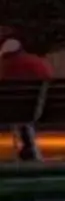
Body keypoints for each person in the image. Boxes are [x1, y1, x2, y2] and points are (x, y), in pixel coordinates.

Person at [0, 29, 47, 161]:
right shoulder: (37, 62)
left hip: (20, 110)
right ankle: (28, 146)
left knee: (18, 109)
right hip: (44, 108)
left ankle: (28, 146)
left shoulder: (12, 65)